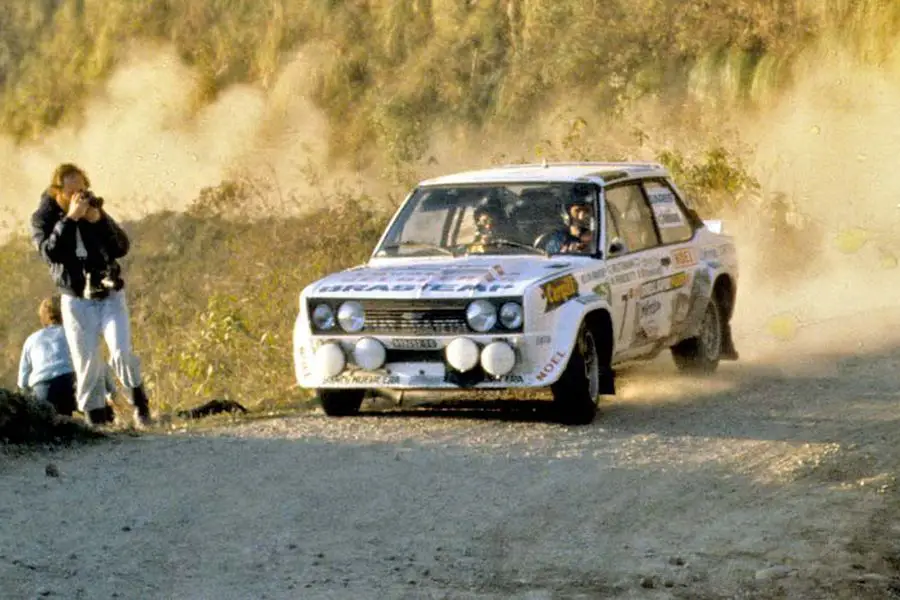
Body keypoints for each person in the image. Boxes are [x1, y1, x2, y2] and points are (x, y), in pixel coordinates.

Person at [30, 163, 152, 428]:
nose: (79, 197)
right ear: (57, 191)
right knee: (87, 364)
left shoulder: (93, 211)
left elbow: (121, 247)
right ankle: (96, 422)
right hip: (75, 299)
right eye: (72, 192)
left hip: (109, 294)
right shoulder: (43, 218)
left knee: (121, 352)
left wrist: (99, 221)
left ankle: (140, 406)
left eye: (83, 190)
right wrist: (70, 219)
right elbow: (50, 254)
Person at [18, 296, 119, 419]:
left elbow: (22, 383)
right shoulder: (76, 333)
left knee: (58, 428)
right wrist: (110, 390)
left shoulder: (31, 340)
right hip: (73, 383)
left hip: (45, 389)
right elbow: (94, 361)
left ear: (43, 318)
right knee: (103, 418)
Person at [537, 187, 596, 254]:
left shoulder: (590, 231)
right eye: (577, 211)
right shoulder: (559, 238)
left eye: (580, 209)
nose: (582, 215)